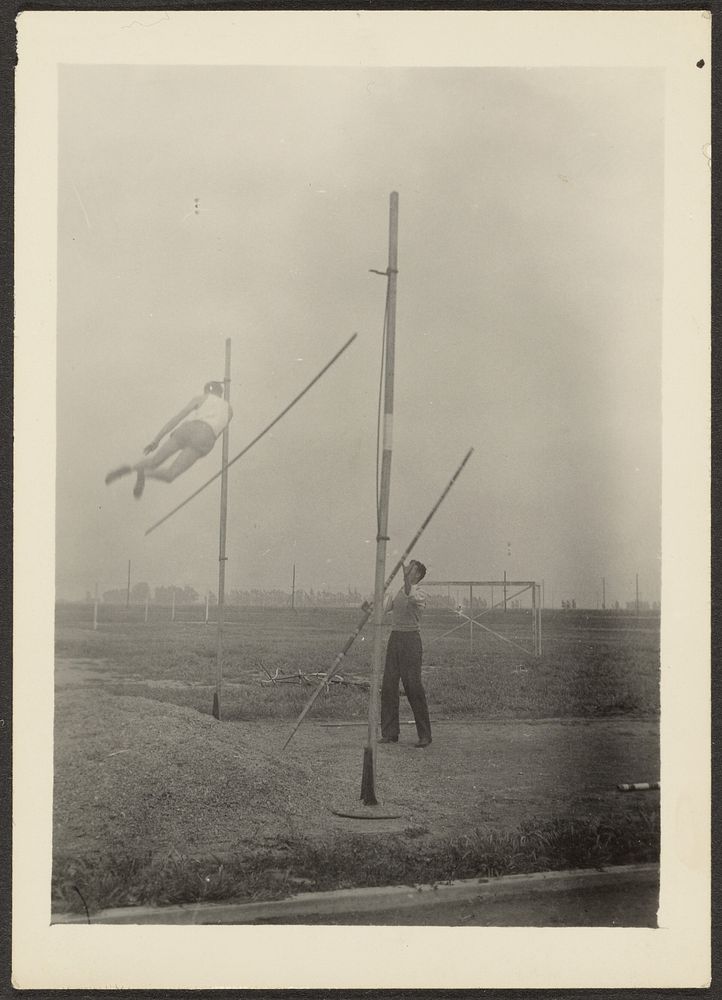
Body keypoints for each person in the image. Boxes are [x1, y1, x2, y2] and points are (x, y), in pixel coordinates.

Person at [105, 381, 233, 499]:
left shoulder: (201, 398)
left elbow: (176, 419)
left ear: (207, 391)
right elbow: (217, 434)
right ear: (220, 393)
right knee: (170, 475)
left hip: (188, 429)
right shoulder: (230, 410)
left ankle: (131, 469)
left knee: (154, 461)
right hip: (206, 436)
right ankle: (145, 475)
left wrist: (156, 440)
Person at [378, 558, 432, 748]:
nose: (407, 570)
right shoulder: (396, 592)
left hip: (411, 641)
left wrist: (406, 580)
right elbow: (382, 610)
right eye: (407, 567)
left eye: (411, 568)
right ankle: (390, 733)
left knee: (413, 687)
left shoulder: (420, 592)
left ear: (417, 574)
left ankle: (425, 735)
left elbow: (411, 595)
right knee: (388, 686)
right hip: (395, 639)